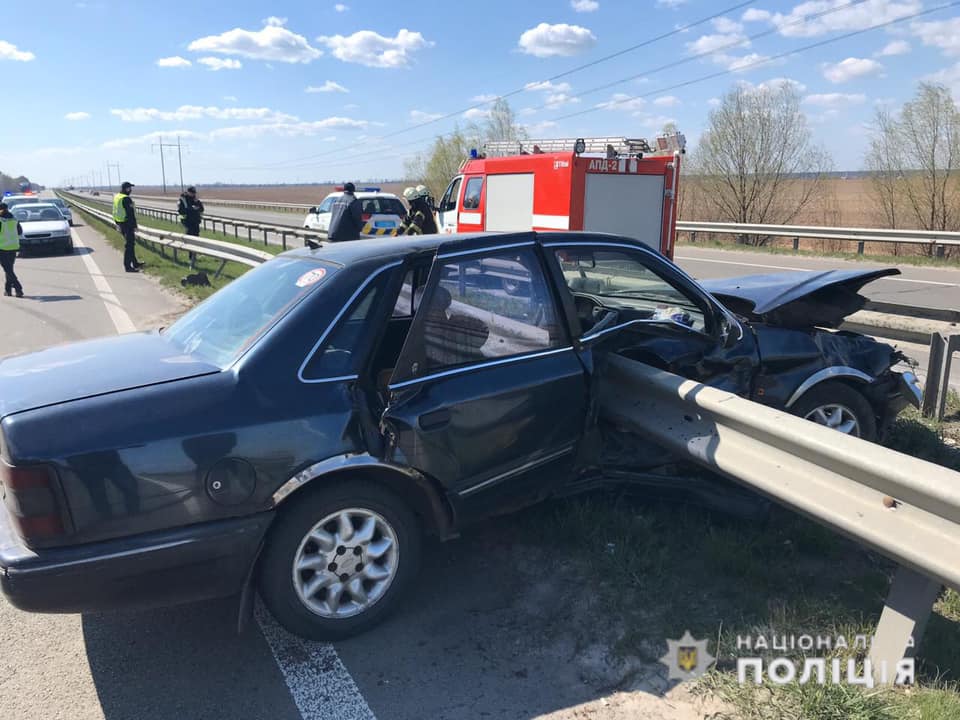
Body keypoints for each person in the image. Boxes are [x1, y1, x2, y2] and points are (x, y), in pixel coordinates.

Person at [112, 181, 143, 272]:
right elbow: (130, 214)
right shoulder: (126, 199)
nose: (131, 190)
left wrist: (117, 223)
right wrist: (135, 226)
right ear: (126, 189)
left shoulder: (117, 197)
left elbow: (115, 211)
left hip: (120, 223)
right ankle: (128, 266)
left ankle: (135, 263)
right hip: (127, 224)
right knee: (129, 245)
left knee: (130, 244)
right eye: (130, 188)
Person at [0, 202, 24, 298]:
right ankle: (8, 290)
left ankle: (18, 288)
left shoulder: (1, 220)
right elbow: (20, 232)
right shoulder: (14, 219)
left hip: (2, 248)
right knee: (9, 269)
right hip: (13, 247)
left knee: (8, 270)